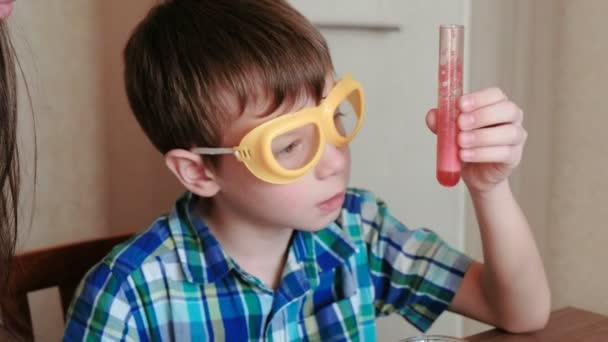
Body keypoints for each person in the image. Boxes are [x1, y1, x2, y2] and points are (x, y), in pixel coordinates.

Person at [64, 0, 550, 340]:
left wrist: (490, 188)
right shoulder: (129, 295)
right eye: (291, 145)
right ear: (198, 172)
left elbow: (519, 312)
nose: (334, 159)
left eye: (336, 117)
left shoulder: (359, 232)